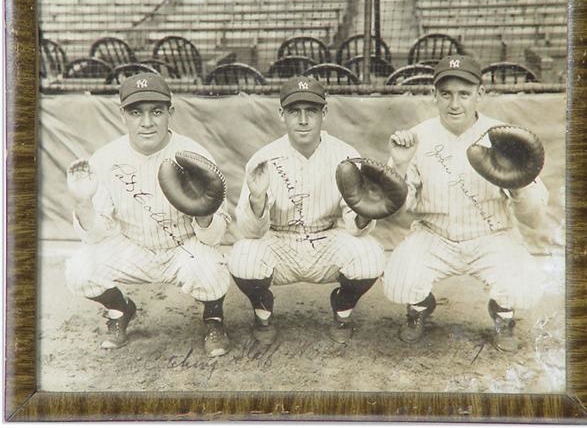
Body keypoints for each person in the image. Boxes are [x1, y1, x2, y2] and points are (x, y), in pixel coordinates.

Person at [383, 55, 549, 352]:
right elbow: (394, 210)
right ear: (434, 95)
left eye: (464, 94)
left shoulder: (504, 136)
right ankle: (420, 307)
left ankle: (503, 315)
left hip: (491, 234)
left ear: (479, 94)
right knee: (400, 282)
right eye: (445, 94)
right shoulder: (416, 137)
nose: (454, 104)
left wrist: (519, 186)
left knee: (522, 287)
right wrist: (398, 167)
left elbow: (534, 217)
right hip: (434, 234)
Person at [65, 72, 231, 357]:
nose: (146, 122)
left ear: (171, 112)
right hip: (133, 247)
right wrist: (83, 204)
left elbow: (217, 235)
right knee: (79, 270)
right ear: (123, 115)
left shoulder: (193, 153)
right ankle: (120, 310)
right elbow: (96, 236)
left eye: (156, 111)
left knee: (212, 271)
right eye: (136, 112)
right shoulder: (105, 159)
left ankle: (213, 318)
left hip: (183, 248)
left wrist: (204, 215)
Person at [228, 76, 385, 345]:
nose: (303, 120)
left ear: (324, 113)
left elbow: (354, 228)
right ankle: (262, 309)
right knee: (242, 257)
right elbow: (249, 232)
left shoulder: (345, 155)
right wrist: (257, 197)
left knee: (371, 256)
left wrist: (366, 211)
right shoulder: (263, 158)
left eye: (311, 111)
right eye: (294, 111)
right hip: (278, 240)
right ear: (282, 115)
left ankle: (343, 307)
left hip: (326, 238)